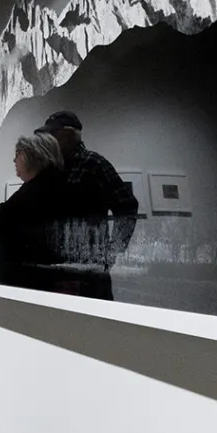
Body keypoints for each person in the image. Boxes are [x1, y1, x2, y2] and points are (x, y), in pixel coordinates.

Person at [37, 110, 139, 299]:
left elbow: (126, 207)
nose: (47, 141)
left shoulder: (94, 164)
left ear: (67, 135)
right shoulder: (52, 169)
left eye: (52, 135)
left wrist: (111, 253)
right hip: (55, 271)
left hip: (85, 274)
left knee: (91, 324)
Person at [0, 133, 77, 290]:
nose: (14, 160)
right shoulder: (54, 184)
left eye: (18, 154)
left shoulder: (38, 190)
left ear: (34, 156)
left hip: (25, 283)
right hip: (40, 281)